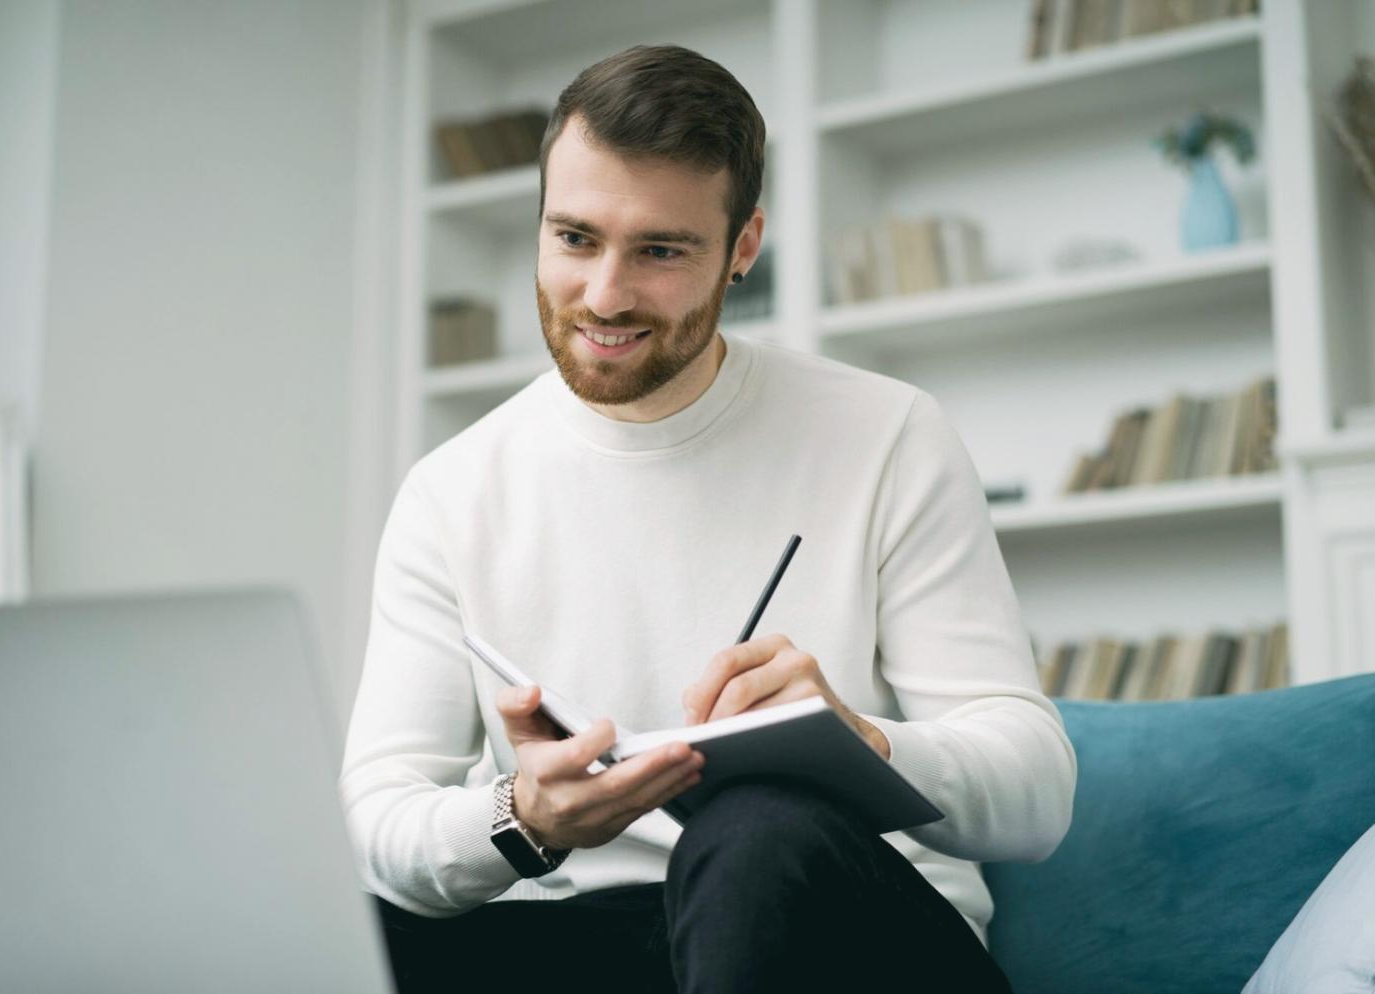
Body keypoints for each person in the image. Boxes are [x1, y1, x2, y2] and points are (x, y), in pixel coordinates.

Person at [341, 44, 1076, 994]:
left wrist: (862, 744)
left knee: (755, 826)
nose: (605, 295)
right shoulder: (450, 492)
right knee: (331, 931)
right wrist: (524, 818)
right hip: (592, 938)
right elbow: (379, 821)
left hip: (843, 932)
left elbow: (1038, 794)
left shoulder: (888, 433)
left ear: (742, 248)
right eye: (574, 239)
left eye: (660, 250)